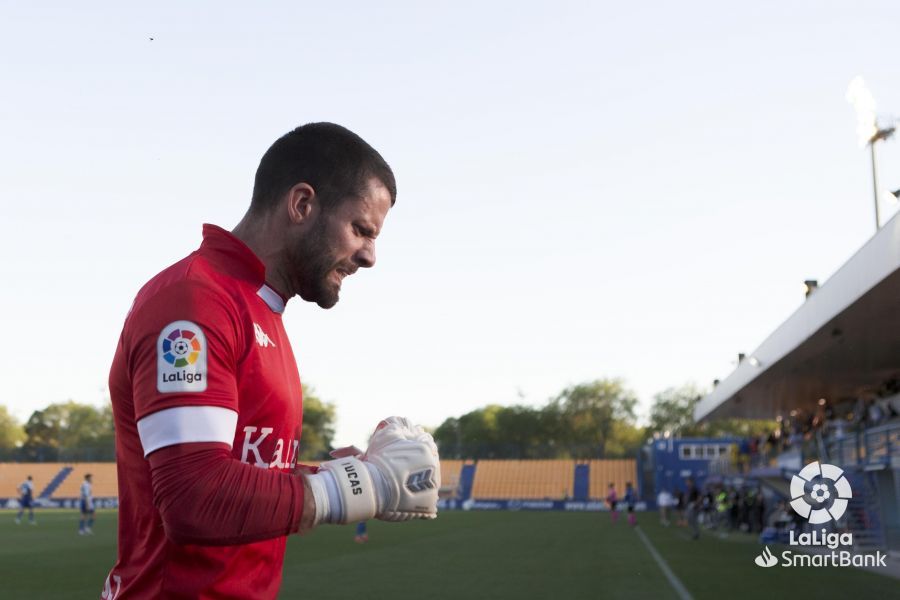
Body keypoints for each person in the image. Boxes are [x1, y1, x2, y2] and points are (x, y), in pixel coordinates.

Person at [103, 123, 441, 599]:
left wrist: (329, 475)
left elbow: (237, 470)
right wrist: (364, 486)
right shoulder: (194, 302)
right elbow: (193, 496)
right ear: (302, 204)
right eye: (360, 229)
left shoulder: (260, 308)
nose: (370, 255)